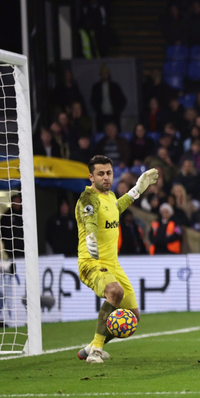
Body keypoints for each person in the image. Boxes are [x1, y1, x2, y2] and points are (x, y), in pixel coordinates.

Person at [74, 156, 158, 363]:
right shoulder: (88, 198)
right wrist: (90, 236)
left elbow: (116, 208)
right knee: (115, 292)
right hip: (91, 263)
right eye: (100, 173)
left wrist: (137, 189)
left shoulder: (110, 196)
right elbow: (90, 219)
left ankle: (92, 346)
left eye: (108, 173)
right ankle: (96, 351)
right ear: (91, 177)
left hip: (112, 264)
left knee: (133, 318)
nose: (105, 177)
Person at [90, 66, 127, 131]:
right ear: (100, 75)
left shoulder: (115, 86)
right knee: (101, 134)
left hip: (114, 115)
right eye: (103, 74)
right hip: (101, 116)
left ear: (109, 74)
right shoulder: (96, 87)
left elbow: (123, 100)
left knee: (115, 132)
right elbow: (93, 101)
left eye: (106, 73)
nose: (104, 75)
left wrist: (117, 111)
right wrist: (98, 110)